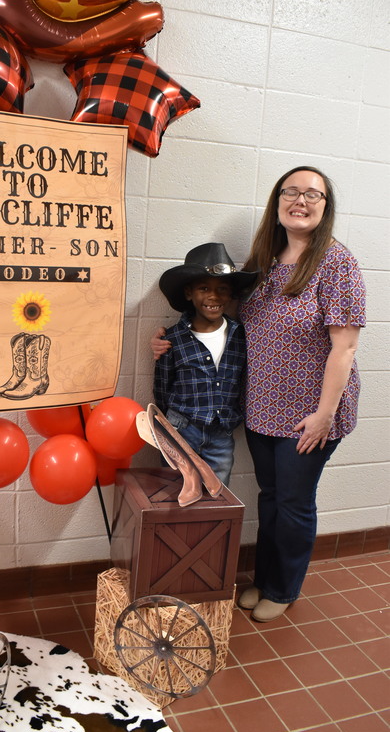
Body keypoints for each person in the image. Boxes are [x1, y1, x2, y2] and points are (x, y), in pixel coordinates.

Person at [151, 167, 366, 622]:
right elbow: (226, 324)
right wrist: (169, 341)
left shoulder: (336, 262)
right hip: (263, 409)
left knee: (292, 500)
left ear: (325, 208)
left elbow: (345, 347)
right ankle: (263, 580)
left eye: (313, 195)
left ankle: (284, 588)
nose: (301, 201)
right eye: (292, 192)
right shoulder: (264, 260)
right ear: (278, 201)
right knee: (270, 495)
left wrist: (325, 415)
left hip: (311, 413)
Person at [153, 242, 259, 489]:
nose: (214, 296)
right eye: (204, 288)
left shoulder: (241, 336)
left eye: (222, 288)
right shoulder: (172, 339)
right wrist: (173, 422)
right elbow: (162, 389)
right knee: (175, 492)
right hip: (180, 431)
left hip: (221, 434)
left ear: (231, 294)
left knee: (217, 494)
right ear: (189, 293)